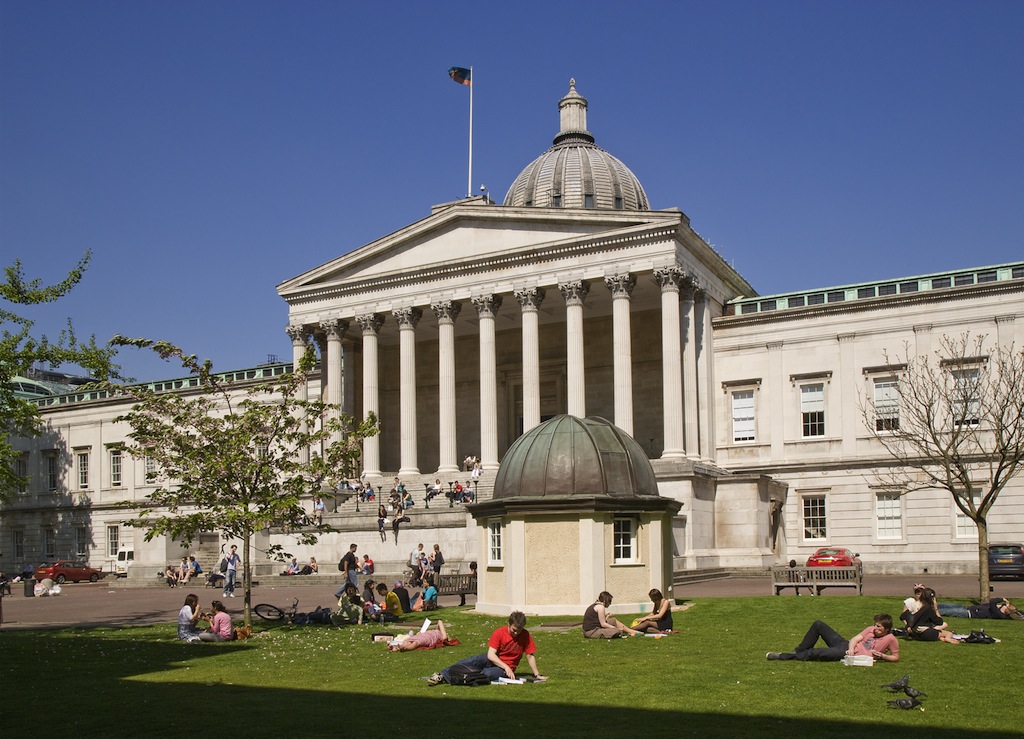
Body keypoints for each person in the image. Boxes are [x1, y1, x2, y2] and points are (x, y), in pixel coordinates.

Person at [429, 611, 547, 685]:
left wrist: (537, 675)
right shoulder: (499, 632)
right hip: (494, 659)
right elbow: (491, 655)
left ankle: (456, 679)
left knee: (486, 674)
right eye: (514, 630)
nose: (516, 633)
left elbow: (530, 656)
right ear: (509, 624)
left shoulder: (525, 635)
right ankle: (441, 674)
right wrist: (505, 666)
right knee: (472, 660)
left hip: (505, 668)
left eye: (519, 630)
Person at [766, 614, 900, 662]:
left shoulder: (891, 639)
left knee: (816, 653)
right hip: (846, 645)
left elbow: (896, 657)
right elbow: (855, 639)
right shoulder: (870, 629)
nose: (875, 628)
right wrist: (851, 648)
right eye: (875, 625)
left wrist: (883, 656)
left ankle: (782, 656)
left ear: (886, 629)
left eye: (878, 627)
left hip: (846, 654)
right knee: (818, 625)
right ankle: (798, 651)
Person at [938, 597, 1023, 620]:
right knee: (946, 605)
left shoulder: (999, 615)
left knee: (946, 611)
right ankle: (932, 605)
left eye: (1004, 606)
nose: (1001, 605)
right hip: (968, 608)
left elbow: (992, 602)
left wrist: (1002, 599)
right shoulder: (998, 610)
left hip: (968, 613)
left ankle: (932, 611)